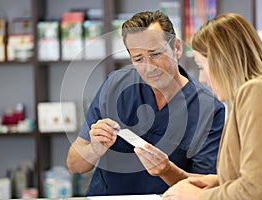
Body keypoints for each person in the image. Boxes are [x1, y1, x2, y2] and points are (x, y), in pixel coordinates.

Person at [66, 10, 225, 196]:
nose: (149, 66)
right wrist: (94, 149)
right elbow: (74, 164)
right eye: (138, 59)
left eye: (156, 54)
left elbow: (205, 190)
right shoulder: (115, 86)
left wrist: (167, 171)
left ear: (177, 48)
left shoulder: (208, 108)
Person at [162, 13, 262, 200]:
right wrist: (218, 181)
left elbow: (257, 190)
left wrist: (197, 197)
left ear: (223, 60)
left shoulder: (257, 91)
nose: (202, 78)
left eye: (202, 66)